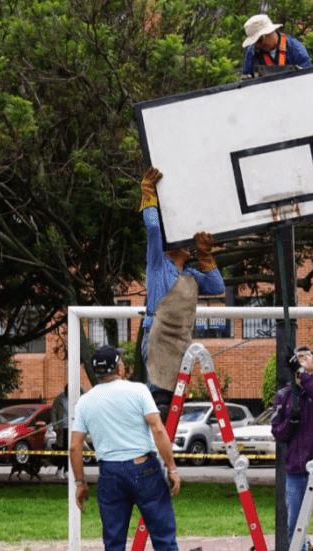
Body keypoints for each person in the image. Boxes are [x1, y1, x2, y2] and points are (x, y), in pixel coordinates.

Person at [69, 345, 182, 551]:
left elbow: (75, 447)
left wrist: (80, 483)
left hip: (110, 473)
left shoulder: (84, 402)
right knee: (164, 539)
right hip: (144, 468)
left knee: (113, 543)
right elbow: (158, 429)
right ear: (119, 368)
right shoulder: (139, 390)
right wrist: (172, 468)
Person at [139, 167, 225, 419]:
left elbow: (218, 286)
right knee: (161, 402)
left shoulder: (191, 275)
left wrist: (206, 257)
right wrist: (149, 196)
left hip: (180, 341)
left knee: (172, 403)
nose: (187, 244)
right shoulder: (158, 264)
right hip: (158, 335)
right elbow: (153, 229)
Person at [271, 346, 313, 551]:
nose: (300, 358)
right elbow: (277, 432)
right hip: (296, 469)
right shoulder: (284, 394)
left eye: (305, 357)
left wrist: (301, 372)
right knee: (295, 526)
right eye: (297, 357)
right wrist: (290, 424)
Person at [240, 13, 312, 79]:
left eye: (259, 40)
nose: (258, 45)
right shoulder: (252, 52)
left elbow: (307, 76)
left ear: (269, 32)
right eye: (255, 42)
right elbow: (245, 79)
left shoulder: (295, 48)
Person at [50, 384, 70, 479]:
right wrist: (55, 426)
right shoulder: (59, 400)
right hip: (62, 428)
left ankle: (67, 470)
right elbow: (53, 413)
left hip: (72, 428)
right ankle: (60, 469)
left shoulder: (75, 398)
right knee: (61, 449)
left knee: (69, 449)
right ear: (66, 390)